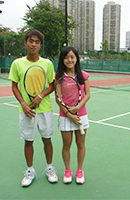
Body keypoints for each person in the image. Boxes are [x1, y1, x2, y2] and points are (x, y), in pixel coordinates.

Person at [9, 29, 58, 187]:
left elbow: (52, 85)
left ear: (40, 45)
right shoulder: (17, 63)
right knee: (28, 141)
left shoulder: (47, 64)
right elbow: (14, 86)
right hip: (27, 111)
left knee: (47, 139)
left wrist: (41, 96)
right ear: (25, 42)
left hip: (45, 109)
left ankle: (50, 169)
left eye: (37, 42)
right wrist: (23, 104)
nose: (34, 44)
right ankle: (30, 171)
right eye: (31, 41)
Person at [55, 46, 90, 184]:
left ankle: (79, 171)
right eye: (66, 57)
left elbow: (87, 95)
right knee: (66, 145)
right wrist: (69, 114)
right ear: (62, 60)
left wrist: (77, 108)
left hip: (81, 115)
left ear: (76, 58)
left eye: (72, 57)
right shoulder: (59, 77)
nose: (69, 60)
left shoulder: (83, 75)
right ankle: (67, 171)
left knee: (80, 144)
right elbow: (58, 98)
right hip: (65, 116)